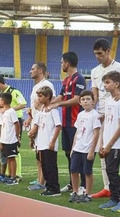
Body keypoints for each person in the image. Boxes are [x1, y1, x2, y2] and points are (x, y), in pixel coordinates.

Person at [90, 38, 120, 201]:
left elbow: (119, 92)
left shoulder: (118, 68)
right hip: (102, 113)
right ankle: (108, 187)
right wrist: (94, 110)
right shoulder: (95, 71)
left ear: (108, 51)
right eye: (95, 54)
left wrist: (109, 111)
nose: (98, 57)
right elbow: (94, 93)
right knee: (102, 152)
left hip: (114, 114)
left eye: (100, 53)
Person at [48, 51, 86, 193]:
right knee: (68, 153)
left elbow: (77, 99)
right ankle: (72, 182)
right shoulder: (66, 81)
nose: (61, 65)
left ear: (67, 63)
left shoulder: (80, 79)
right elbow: (60, 96)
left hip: (75, 123)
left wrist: (58, 105)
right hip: (66, 123)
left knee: (78, 153)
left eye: (62, 62)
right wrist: (47, 103)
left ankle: (82, 184)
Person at [98, 71, 120, 212]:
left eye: (107, 82)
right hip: (107, 143)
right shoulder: (108, 101)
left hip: (116, 144)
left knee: (112, 170)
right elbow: (106, 123)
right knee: (109, 170)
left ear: (116, 84)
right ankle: (114, 198)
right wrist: (102, 144)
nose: (105, 85)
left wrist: (110, 144)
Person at [25, 62, 56, 191]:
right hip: (36, 120)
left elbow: (50, 102)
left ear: (40, 70)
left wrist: (37, 124)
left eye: (33, 69)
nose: (30, 71)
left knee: (42, 153)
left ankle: (42, 181)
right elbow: (35, 106)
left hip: (42, 123)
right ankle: (40, 179)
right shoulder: (36, 86)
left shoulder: (46, 85)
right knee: (38, 153)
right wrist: (30, 118)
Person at [27, 86, 62, 197]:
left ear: (48, 97)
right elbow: (36, 127)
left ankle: (55, 189)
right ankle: (49, 187)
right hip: (40, 143)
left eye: (41, 96)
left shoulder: (53, 111)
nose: (39, 98)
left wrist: (52, 141)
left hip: (49, 144)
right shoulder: (40, 112)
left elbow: (58, 126)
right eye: (38, 96)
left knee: (50, 166)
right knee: (44, 166)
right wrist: (32, 139)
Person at [68, 90, 100, 203]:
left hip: (88, 148)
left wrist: (92, 151)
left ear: (93, 101)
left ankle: (87, 193)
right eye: (83, 99)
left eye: (88, 99)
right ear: (80, 102)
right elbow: (77, 132)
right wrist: (73, 148)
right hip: (78, 147)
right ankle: (76, 191)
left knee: (87, 171)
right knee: (73, 170)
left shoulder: (95, 115)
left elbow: (96, 133)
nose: (85, 101)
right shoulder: (80, 114)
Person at [0, 76, 27, 180]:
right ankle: (8, 173)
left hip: (15, 120)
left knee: (15, 148)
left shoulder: (13, 91)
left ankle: (17, 174)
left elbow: (23, 103)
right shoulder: (2, 95)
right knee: (5, 149)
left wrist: (9, 109)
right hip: (5, 122)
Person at [0, 92, 21, 185]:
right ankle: (10, 176)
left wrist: (17, 136)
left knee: (12, 158)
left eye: (0, 99)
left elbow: (17, 125)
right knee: (8, 158)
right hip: (5, 139)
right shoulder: (5, 112)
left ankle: (13, 177)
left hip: (11, 139)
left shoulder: (11, 112)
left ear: (3, 101)